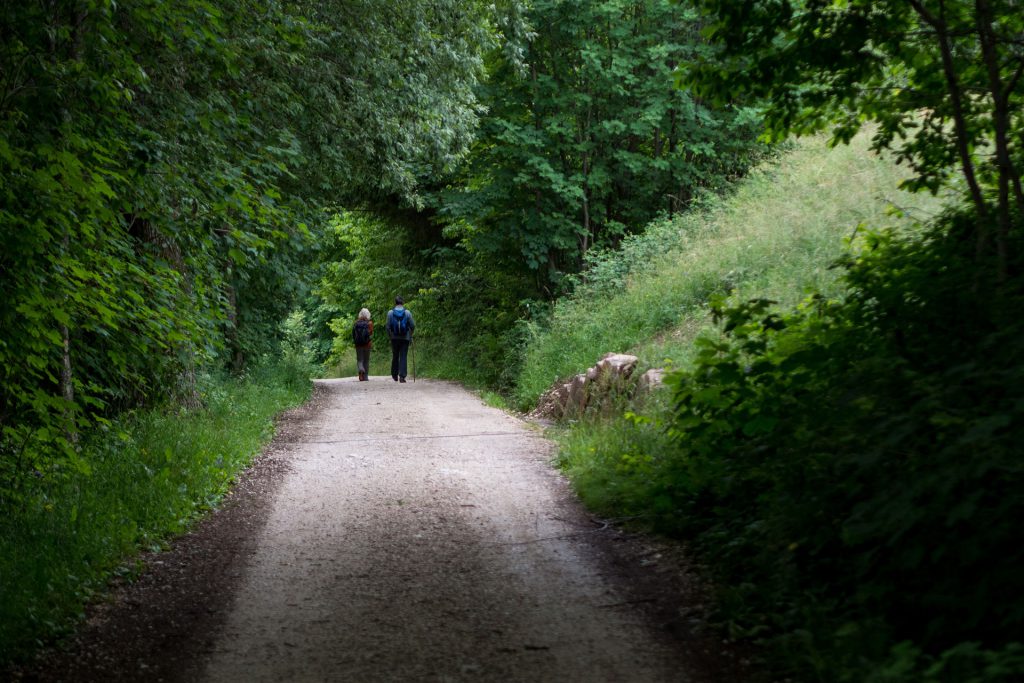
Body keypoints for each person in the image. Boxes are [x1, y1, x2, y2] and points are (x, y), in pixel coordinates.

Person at [385, 296, 415, 383]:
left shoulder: (390, 313)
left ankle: (394, 375)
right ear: (403, 303)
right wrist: (410, 335)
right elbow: (412, 326)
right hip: (405, 338)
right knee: (403, 356)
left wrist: (390, 336)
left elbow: (387, 327)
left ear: (395, 303)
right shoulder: (407, 313)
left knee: (395, 356)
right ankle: (402, 376)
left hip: (394, 338)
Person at [352, 308, 373, 381]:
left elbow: (353, 334)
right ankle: (366, 377)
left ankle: (361, 371)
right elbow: (370, 333)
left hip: (358, 344)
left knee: (360, 360)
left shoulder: (356, 323)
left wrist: (355, 341)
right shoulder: (369, 323)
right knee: (366, 360)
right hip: (367, 344)